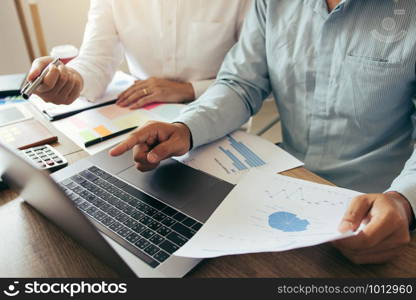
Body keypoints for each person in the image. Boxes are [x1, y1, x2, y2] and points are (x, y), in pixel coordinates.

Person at [110, 0, 416, 264]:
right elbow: (241, 83)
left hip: (377, 208)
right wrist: (186, 128)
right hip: (285, 190)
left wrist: (404, 201)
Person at [27, 0, 250, 109]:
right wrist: (70, 79)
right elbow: (96, 58)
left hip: (221, 112)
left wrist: (188, 90)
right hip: (145, 114)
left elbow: (261, 81)